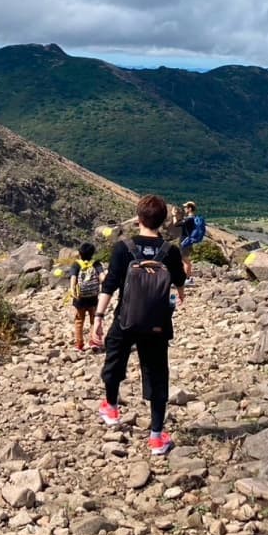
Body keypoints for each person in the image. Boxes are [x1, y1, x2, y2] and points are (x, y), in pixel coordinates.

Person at [92, 194, 186, 455]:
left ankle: (111, 407)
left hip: (125, 319)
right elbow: (179, 280)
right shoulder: (170, 251)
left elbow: (109, 285)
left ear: (138, 218)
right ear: (163, 220)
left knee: (114, 359)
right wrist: (179, 291)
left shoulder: (124, 248)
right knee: (157, 374)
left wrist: (98, 318)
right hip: (158, 323)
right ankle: (156, 437)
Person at [69, 242, 103, 351]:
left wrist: (72, 289)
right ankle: (94, 342)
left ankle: (79, 344)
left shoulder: (76, 264)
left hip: (80, 299)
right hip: (93, 298)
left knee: (79, 321)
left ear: (80, 253)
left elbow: (73, 278)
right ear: (93, 253)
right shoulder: (96, 264)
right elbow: (102, 277)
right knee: (94, 320)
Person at [179, 200, 206, 285]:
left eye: (185, 207)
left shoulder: (189, 219)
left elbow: (177, 224)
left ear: (190, 208)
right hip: (188, 241)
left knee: (185, 260)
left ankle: (187, 279)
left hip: (185, 241)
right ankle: (187, 278)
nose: (184, 209)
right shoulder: (193, 219)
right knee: (185, 260)